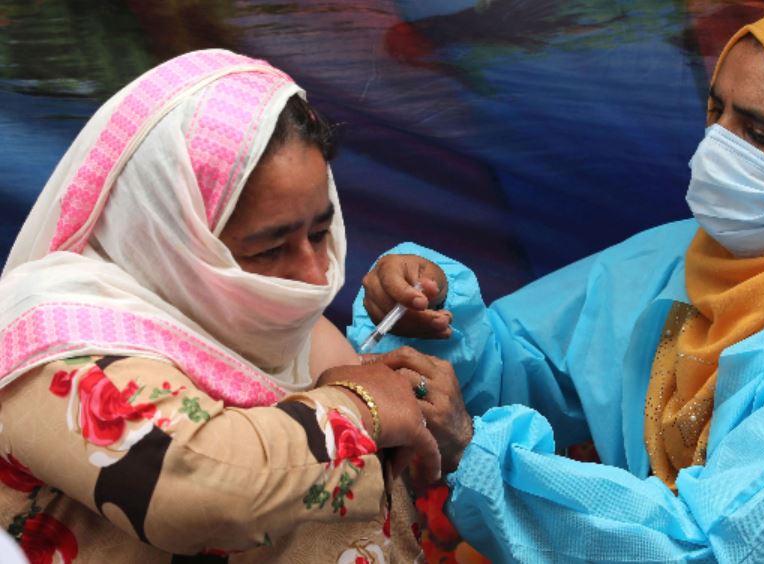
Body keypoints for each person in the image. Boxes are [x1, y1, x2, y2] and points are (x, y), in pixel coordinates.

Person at [352, 6, 764, 562]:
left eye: (759, 133)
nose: (719, 146)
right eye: (717, 111)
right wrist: (431, 314)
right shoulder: (686, 256)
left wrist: (476, 453)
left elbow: (706, 547)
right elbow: (528, 363)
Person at [0, 49, 441, 562]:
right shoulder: (51, 341)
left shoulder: (283, 329)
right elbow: (192, 487)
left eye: (321, 233)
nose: (315, 275)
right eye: (269, 249)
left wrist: (417, 400)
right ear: (167, 236)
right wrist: (362, 407)